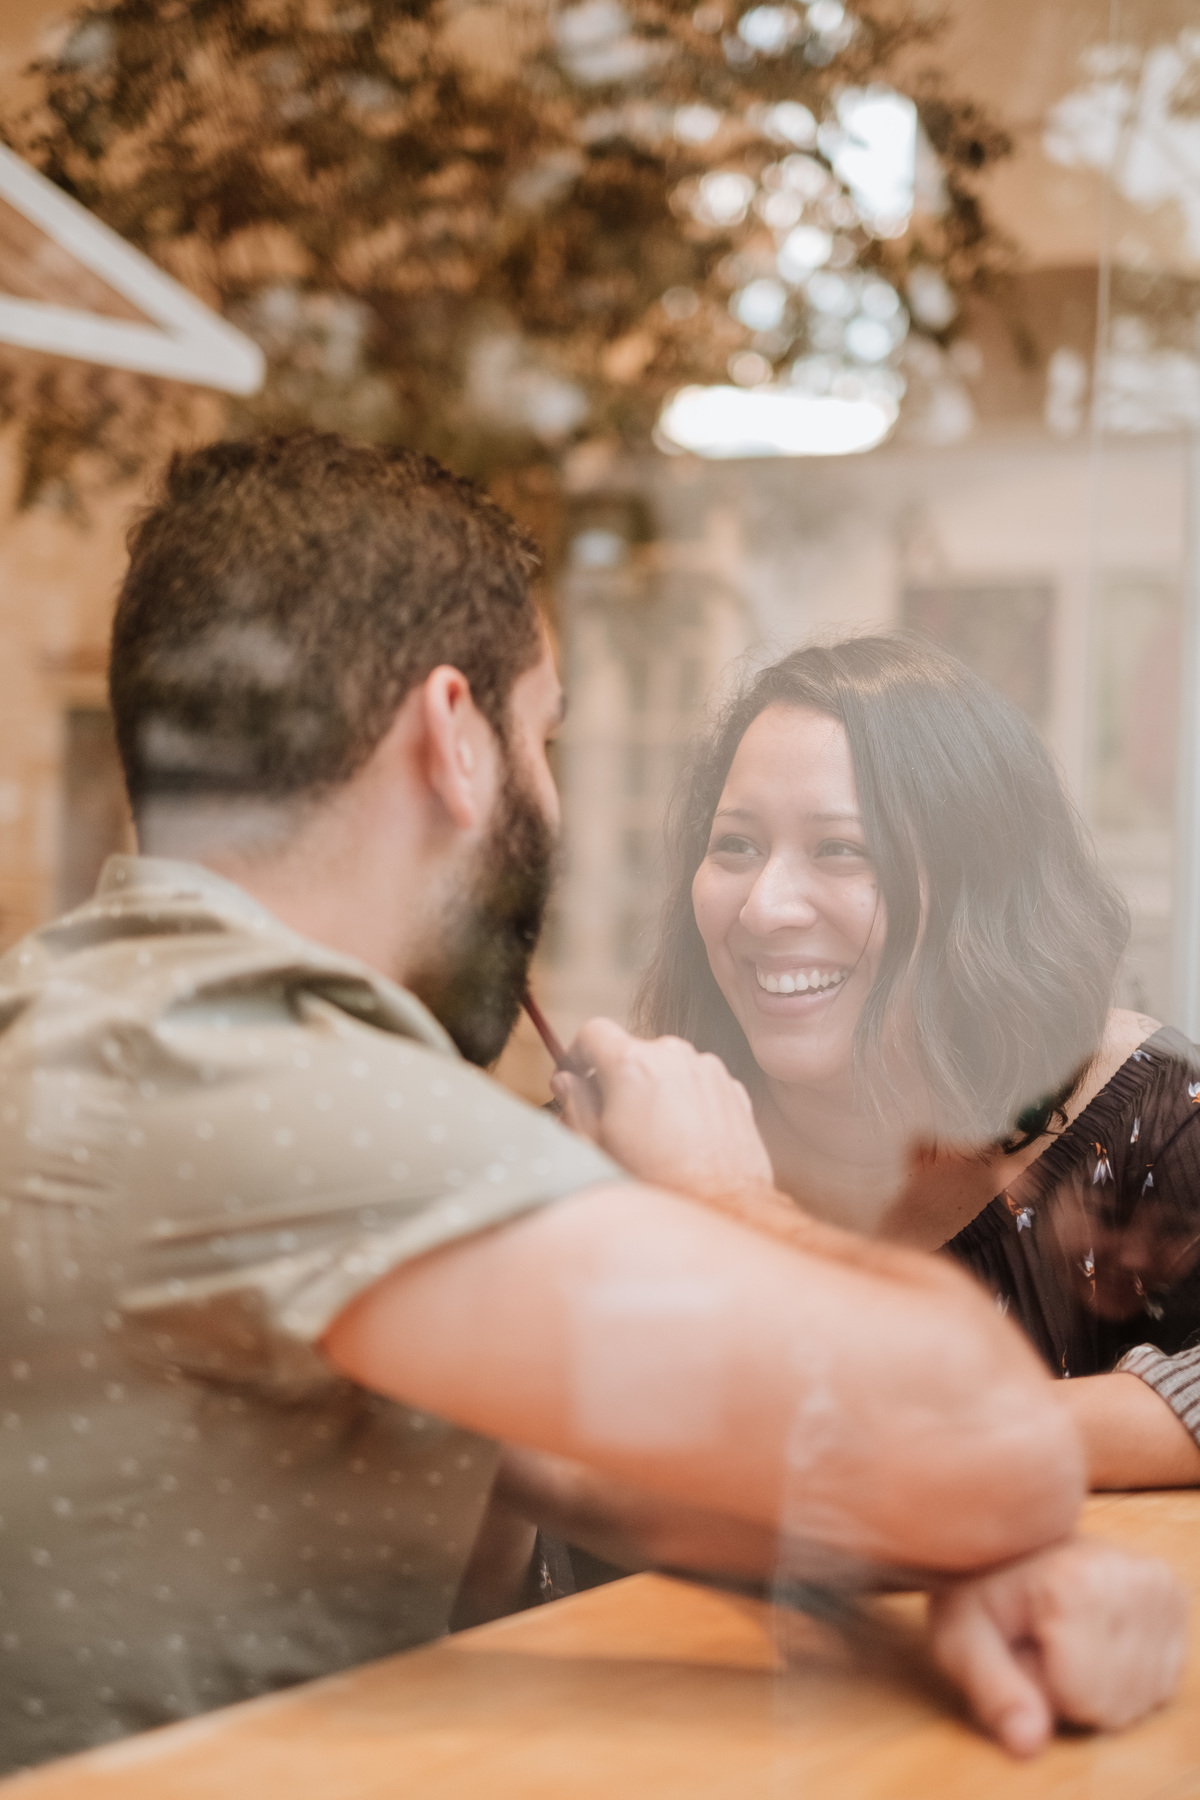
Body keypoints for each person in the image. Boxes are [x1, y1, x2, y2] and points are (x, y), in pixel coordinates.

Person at [0, 439, 1183, 1775]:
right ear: (455, 737)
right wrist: (715, 1194)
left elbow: (582, 1467)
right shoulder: (274, 1088)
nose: (550, 797)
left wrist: (963, 1551)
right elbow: (991, 1438)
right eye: (544, 735)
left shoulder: (101, 1014)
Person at [633, 633, 1200, 1492]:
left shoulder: (1150, 1114)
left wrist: (938, 1436)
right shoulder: (628, 1138)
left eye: (840, 850)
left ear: (980, 891)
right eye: (737, 846)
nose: (764, 908)